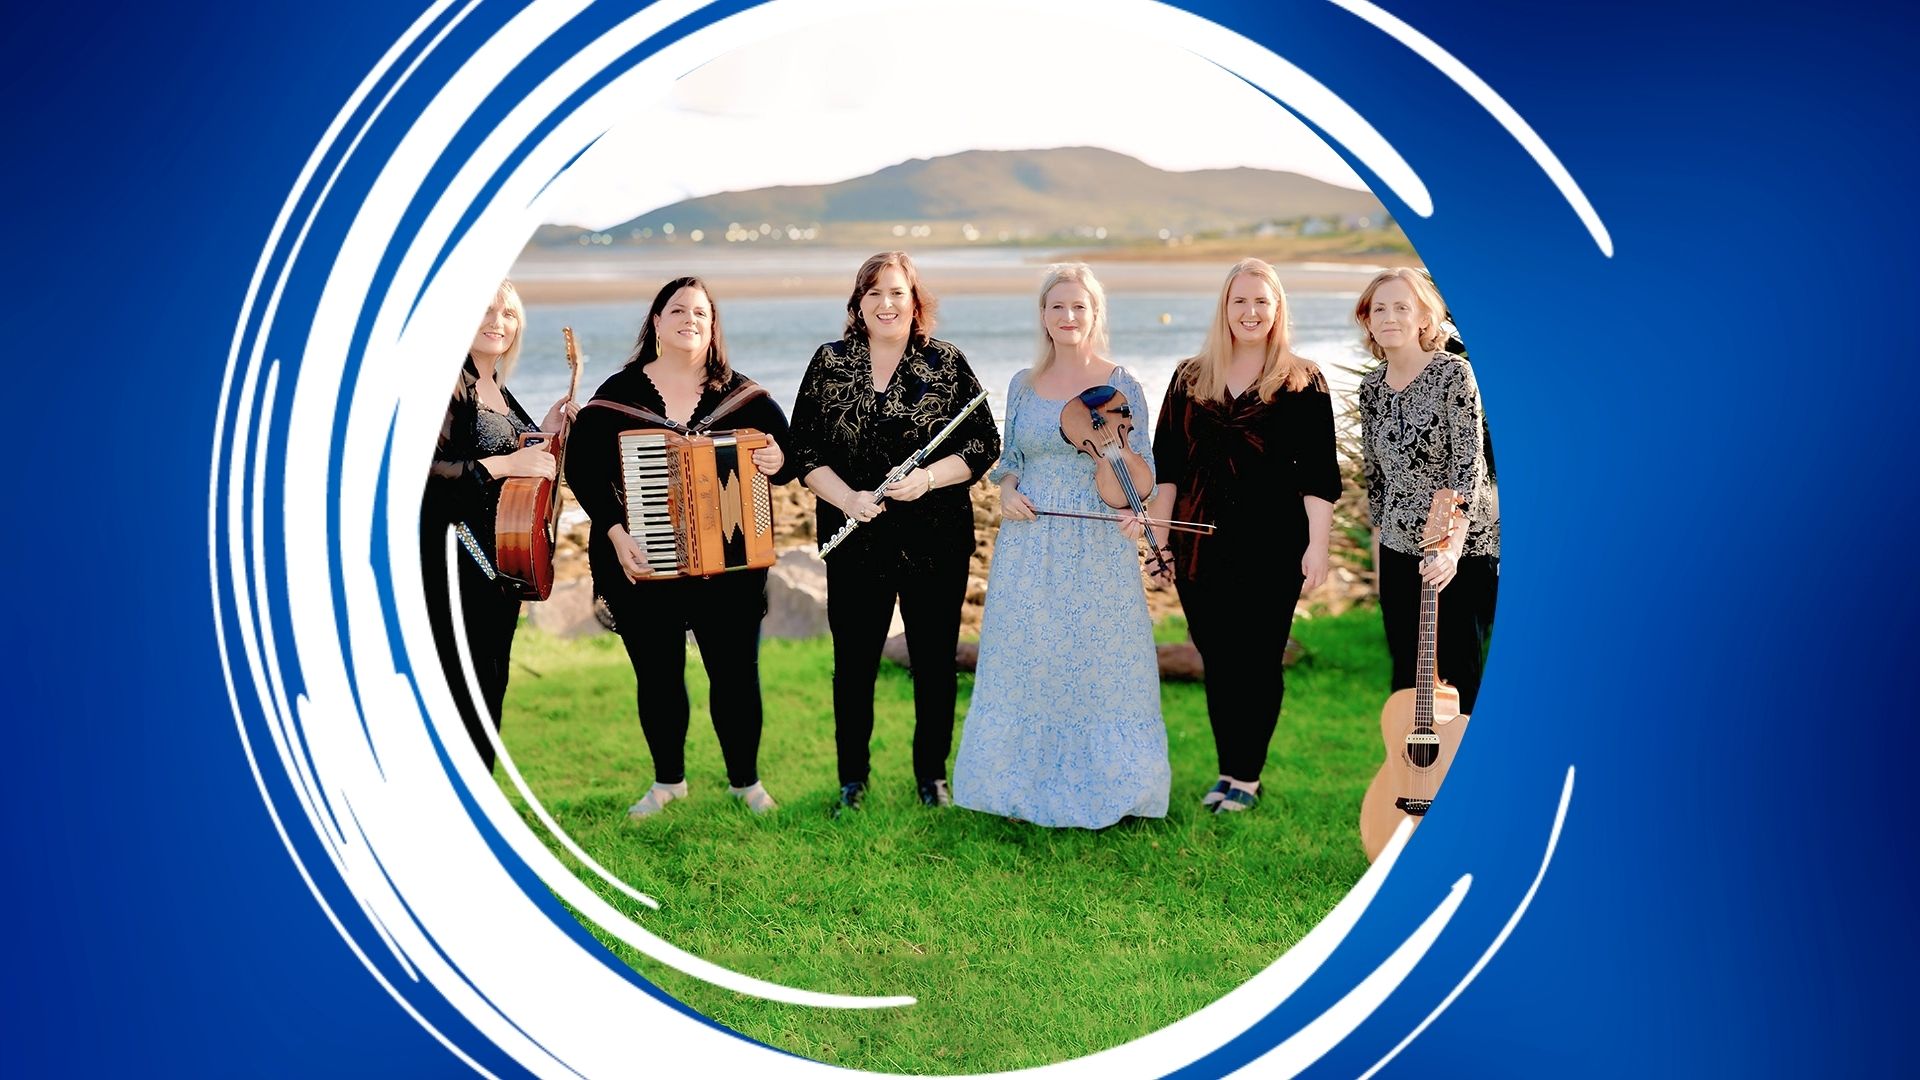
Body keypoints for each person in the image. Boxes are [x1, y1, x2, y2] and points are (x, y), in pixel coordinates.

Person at [565, 277, 798, 817]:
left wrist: (776, 461)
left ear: (712, 327)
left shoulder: (747, 397)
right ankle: (668, 781)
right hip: (641, 560)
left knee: (736, 676)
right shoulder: (617, 397)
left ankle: (747, 783)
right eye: (677, 310)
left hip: (730, 569)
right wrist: (616, 532)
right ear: (656, 321)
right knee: (658, 675)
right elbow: (583, 469)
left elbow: (791, 456)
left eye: (700, 313)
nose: (688, 320)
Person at [950, 264, 1170, 828]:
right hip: (1030, 538)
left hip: (1096, 538)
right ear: (1043, 316)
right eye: (1057, 307)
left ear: (1095, 313)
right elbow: (1011, 461)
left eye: (1079, 307)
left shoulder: (1123, 383)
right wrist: (1008, 492)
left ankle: (1114, 787)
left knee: (1101, 658)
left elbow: (1139, 461)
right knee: (1029, 653)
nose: (1068, 317)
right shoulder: (1023, 383)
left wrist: (1135, 512)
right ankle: (1016, 785)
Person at [787, 251, 1000, 812]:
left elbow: (982, 444)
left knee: (935, 662)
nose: (886, 303)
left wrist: (928, 478)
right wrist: (848, 499)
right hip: (855, 538)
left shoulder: (946, 363)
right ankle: (851, 780)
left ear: (915, 301)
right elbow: (803, 448)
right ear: (858, 301)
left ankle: (932, 777)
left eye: (897, 292)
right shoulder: (830, 362)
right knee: (853, 664)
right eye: (874, 292)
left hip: (936, 538)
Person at [1144, 258, 1341, 814]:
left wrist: (1317, 546)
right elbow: (1167, 469)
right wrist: (1158, 543)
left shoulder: (1303, 380)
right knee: (1218, 658)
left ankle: (1248, 777)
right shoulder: (1189, 377)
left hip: (1274, 545)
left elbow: (1320, 476)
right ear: (1224, 309)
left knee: (1257, 660)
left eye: (1261, 301)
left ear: (1277, 309)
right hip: (1198, 543)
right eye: (1240, 301)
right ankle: (1228, 768)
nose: (1250, 312)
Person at [422, 280, 574, 772]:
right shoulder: (446, 380)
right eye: (485, 309)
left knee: (489, 690)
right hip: (457, 560)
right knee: (461, 693)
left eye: (508, 313)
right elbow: (423, 474)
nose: (497, 322)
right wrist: (507, 465)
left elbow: (522, 456)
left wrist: (547, 428)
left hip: (500, 567)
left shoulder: (498, 390)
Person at [1354, 267, 1499, 716]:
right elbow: (1375, 477)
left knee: (1462, 677)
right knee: (1407, 678)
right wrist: (1383, 546)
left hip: (1462, 551)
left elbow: (1469, 465)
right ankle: (1415, 777)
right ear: (1368, 320)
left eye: (1402, 307)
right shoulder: (1372, 388)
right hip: (1399, 548)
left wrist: (1451, 548)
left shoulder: (1454, 374)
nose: (1389, 317)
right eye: (1380, 308)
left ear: (1424, 318)